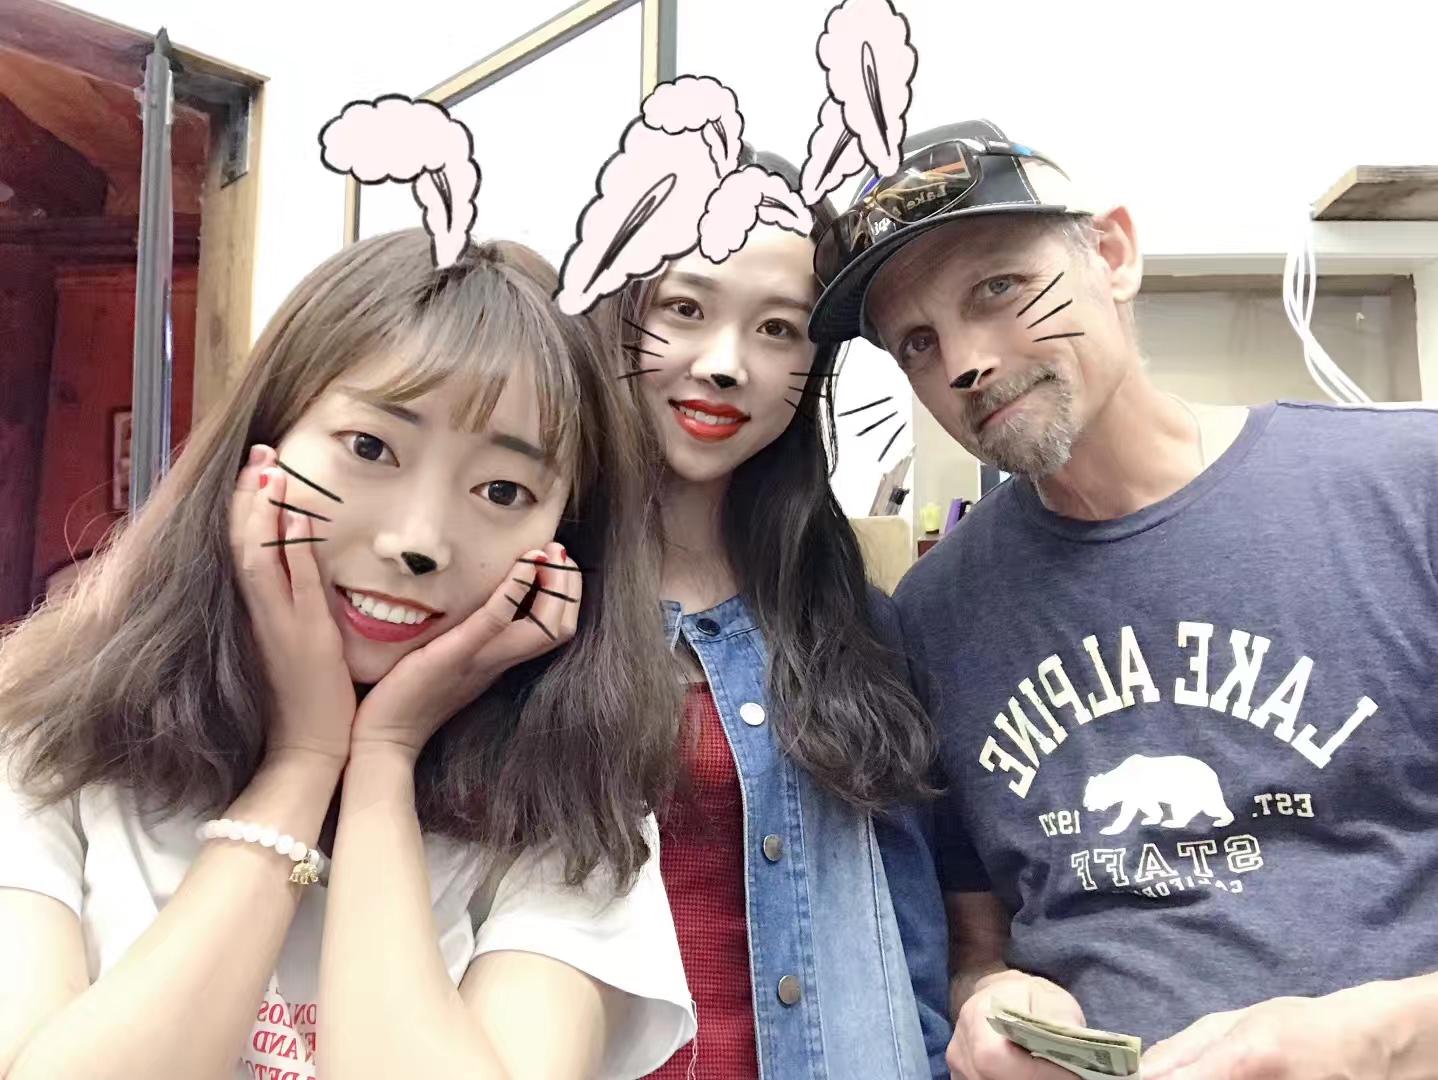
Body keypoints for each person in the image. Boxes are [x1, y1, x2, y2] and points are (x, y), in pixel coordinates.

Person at [808, 119, 1438, 1080]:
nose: (964, 362)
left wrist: (1385, 1039)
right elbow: (978, 941)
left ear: (1113, 255)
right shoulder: (933, 615)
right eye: (918, 343)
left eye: (997, 287)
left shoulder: (1405, 492)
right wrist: (991, 1001)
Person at [0, 230, 696, 1080]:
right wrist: (302, 762)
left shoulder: (570, 810)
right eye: (370, 448)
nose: (419, 540)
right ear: (263, 446)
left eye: (502, 490)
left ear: (565, 539)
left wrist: (381, 762)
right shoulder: (45, 736)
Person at [601, 147, 951, 1079]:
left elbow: (909, 944)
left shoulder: (849, 621)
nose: (725, 365)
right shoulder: (528, 595)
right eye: (685, 309)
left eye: (778, 329)